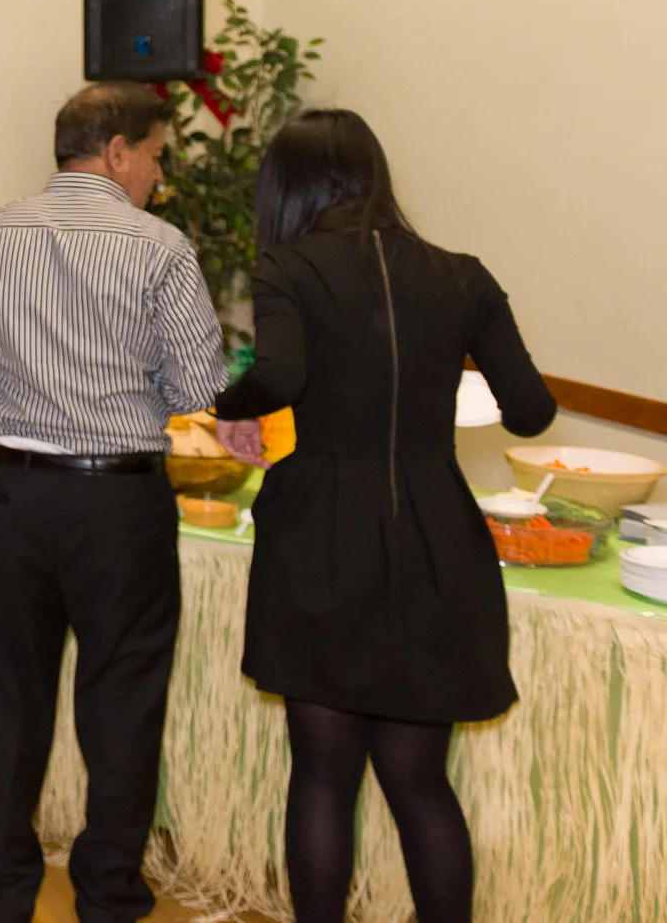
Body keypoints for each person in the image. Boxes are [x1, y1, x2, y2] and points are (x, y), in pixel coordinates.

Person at [210, 109, 554, 923]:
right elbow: (532, 411)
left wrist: (230, 405)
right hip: (435, 532)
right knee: (420, 780)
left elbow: (280, 373)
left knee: (323, 775)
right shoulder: (462, 275)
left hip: (321, 531)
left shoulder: (289, 267)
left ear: (290, 189)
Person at [0, 81, 229, 923]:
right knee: (123, 701)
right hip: (120, 504)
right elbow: (196, 385)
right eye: (156, 155)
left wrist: (25, 389)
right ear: (119, 151)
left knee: (9, 695)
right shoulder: (160, 247)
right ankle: (108, 892)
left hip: (14, 492)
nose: (160, 174)